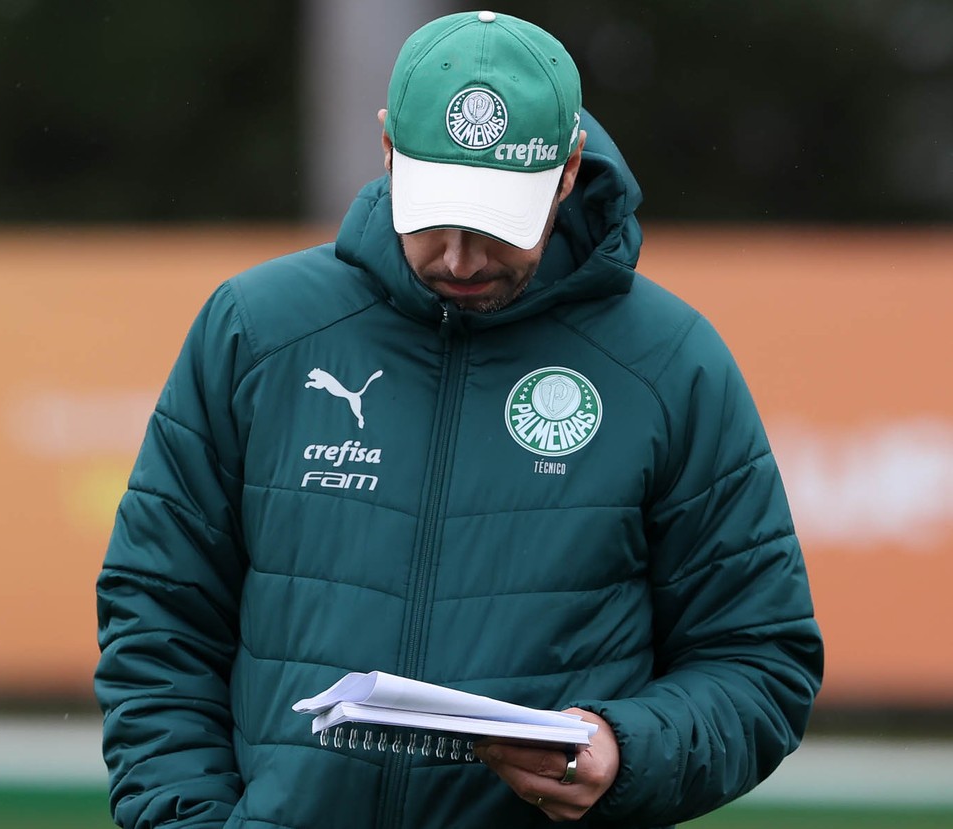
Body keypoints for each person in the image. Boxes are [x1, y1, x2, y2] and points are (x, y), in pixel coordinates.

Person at [95, 10, 823, 829]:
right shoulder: (256, 329)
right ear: (387, 152)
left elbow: (760, 658)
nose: (461, 258)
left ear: (568, 169)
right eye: (437, 211)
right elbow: (159, 618)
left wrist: (627, 748)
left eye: (496, 222)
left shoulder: (671, 363)